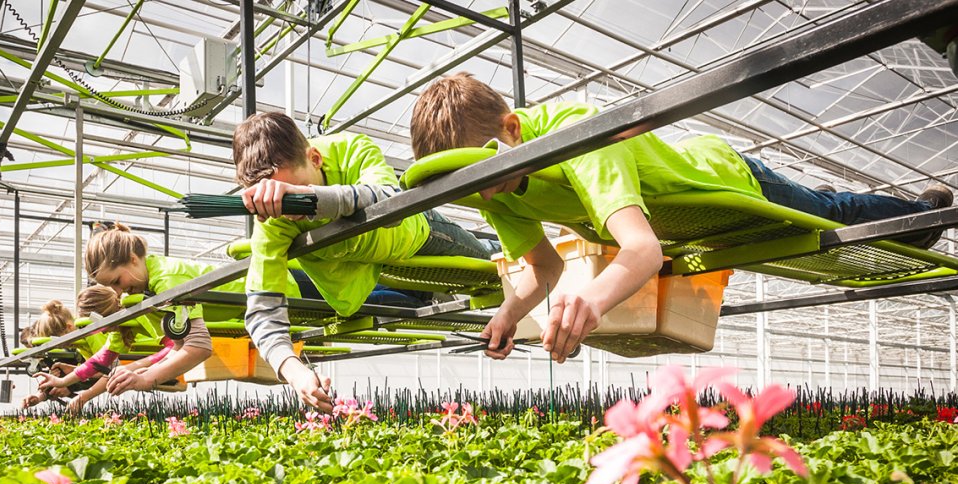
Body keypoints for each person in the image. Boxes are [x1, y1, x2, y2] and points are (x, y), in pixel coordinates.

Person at [409, 72, 954, 364]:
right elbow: (542, 268)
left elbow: (642, 251)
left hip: (721, 180)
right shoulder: (497, 190)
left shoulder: (577, 135)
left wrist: (592, 301)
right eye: (468, 188)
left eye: (485, 175)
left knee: (830, 214)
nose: (484, 195)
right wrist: (507, 314)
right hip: (689, 220)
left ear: (512, 129)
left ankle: (925, 212)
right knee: (822, 208)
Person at [233, 111, 500, 412]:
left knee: (488, 259)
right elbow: (262, 312)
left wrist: (310, 199)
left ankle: (527, 248)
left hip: (414, 234)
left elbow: (388, 200)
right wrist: (295, 374)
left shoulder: (350, 148)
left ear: (316, 158)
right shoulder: (273, 219)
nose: (285, 210)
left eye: (290, 199)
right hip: (369, 265)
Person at [83, 222, 284, 396]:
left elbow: (199, 347)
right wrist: (141, 375)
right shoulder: (151, 287)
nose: (117, 293)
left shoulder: (166, 280)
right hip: (265, 294)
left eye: (117, 281)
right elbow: (179, 346)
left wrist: (145, 380)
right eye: (111, 287)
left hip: (280, 286)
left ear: (133, 258)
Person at [35, 286, 185, 413]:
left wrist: (84, 396)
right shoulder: (117, 330)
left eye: (99, 327)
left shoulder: (142, 314)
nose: (102, 333)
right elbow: (98, 362)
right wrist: (62, 381)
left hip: (181, 360)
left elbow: (177, 345)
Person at [18, 300, 109, 411]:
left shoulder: (90, 332)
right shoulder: (80, 340)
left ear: (69, 327)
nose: (62, 347)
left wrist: (82, 397)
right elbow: (96, 368)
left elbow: (108, 371)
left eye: (61, 342)